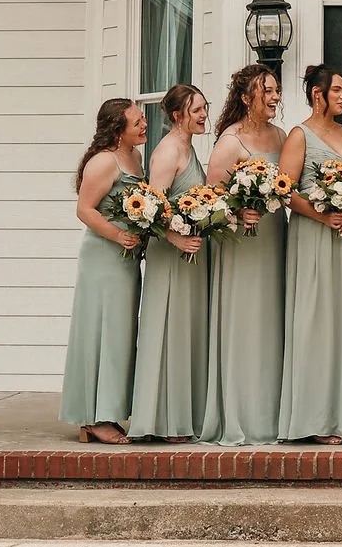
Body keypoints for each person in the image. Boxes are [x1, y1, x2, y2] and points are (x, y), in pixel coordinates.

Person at [279, 65, 342, 444]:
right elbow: (285, 190)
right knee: (316, 324)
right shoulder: (299, 135)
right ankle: (316, 418)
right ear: (318, 94)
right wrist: (323, 214)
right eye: (337, 90)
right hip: (314, 239)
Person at [200, 64, 287, 445]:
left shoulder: (283, 136)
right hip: (240, 243)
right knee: (244, 321)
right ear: (246, 97)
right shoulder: (229, 141)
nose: (274, 97)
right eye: (266, 90)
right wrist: (237, 212)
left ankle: (272, 413)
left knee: (272, 319)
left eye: (276, 90)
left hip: (273, 237)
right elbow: (209, 199)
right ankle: (240, 413)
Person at [59, 99, 146, 444]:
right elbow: (84, 209)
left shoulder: (135, 158)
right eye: (136, 122)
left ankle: (109, 409)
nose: (143, 125)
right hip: (104, 257)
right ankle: (94, 417)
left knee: (121, 333)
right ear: (117, 128)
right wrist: (119, 235)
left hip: (127, 258)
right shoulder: (103, 162)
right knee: (103, 331)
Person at [127, 85, 210, 442]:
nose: (203, 115)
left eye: (205, 108)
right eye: (196, 111)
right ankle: (163, 420)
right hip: (170, 254)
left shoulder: (188, 148)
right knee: (167, 330)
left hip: (189, 253)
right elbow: (147, 211)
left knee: (184, 332)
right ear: (177, 116)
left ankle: (182, 415)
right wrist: (175, 238)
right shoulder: (166, 153)